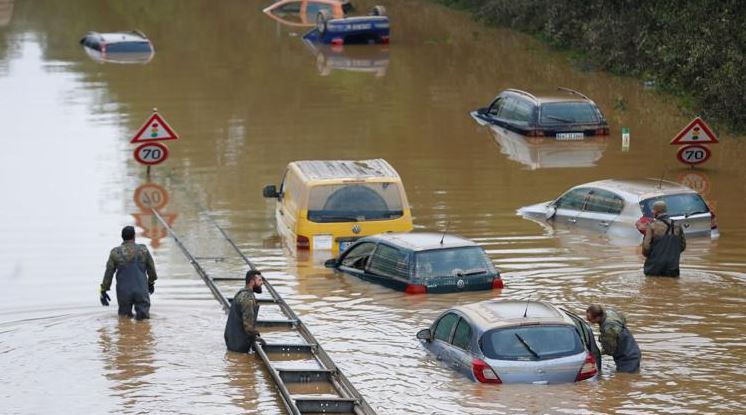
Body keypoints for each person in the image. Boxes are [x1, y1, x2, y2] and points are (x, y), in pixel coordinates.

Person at [100, 226, 158, 320]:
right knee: (143, 321)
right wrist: (151, 283)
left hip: (124, 293)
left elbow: (108, 274)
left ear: (122, 237)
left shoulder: (115, 252)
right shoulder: (143, 250)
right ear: (134, 236)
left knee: (124, 320)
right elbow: (152, 271)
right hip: (141, 290)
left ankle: (125, 333)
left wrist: (103, 290)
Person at [585, 304, 641, 373]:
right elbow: (623, 319)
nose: (587, 320)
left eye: (589, 318)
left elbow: (610, 350)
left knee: (625, 379)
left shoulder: (608, 329)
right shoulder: (610, 312)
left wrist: (599, 353)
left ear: (597, 318)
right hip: (633, 349)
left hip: (627, 358)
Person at [224, 270, 267, 353]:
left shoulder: (241, 293)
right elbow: (248, 326)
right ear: (252, 282)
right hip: (239, 344)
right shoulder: (248, 298)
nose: (262, 283)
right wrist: (257, 337)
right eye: (259, 280)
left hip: (231, 340)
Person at [642, 200, 686, 277]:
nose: (652, 212)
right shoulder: (677, 225)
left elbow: (646, 247)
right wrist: (671, 254)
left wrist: (652, 256)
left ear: (656, 212)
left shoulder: (652, 226)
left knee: (651, 286)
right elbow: (682, 246)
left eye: (653, 210)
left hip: (654, 266)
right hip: (672, 266)